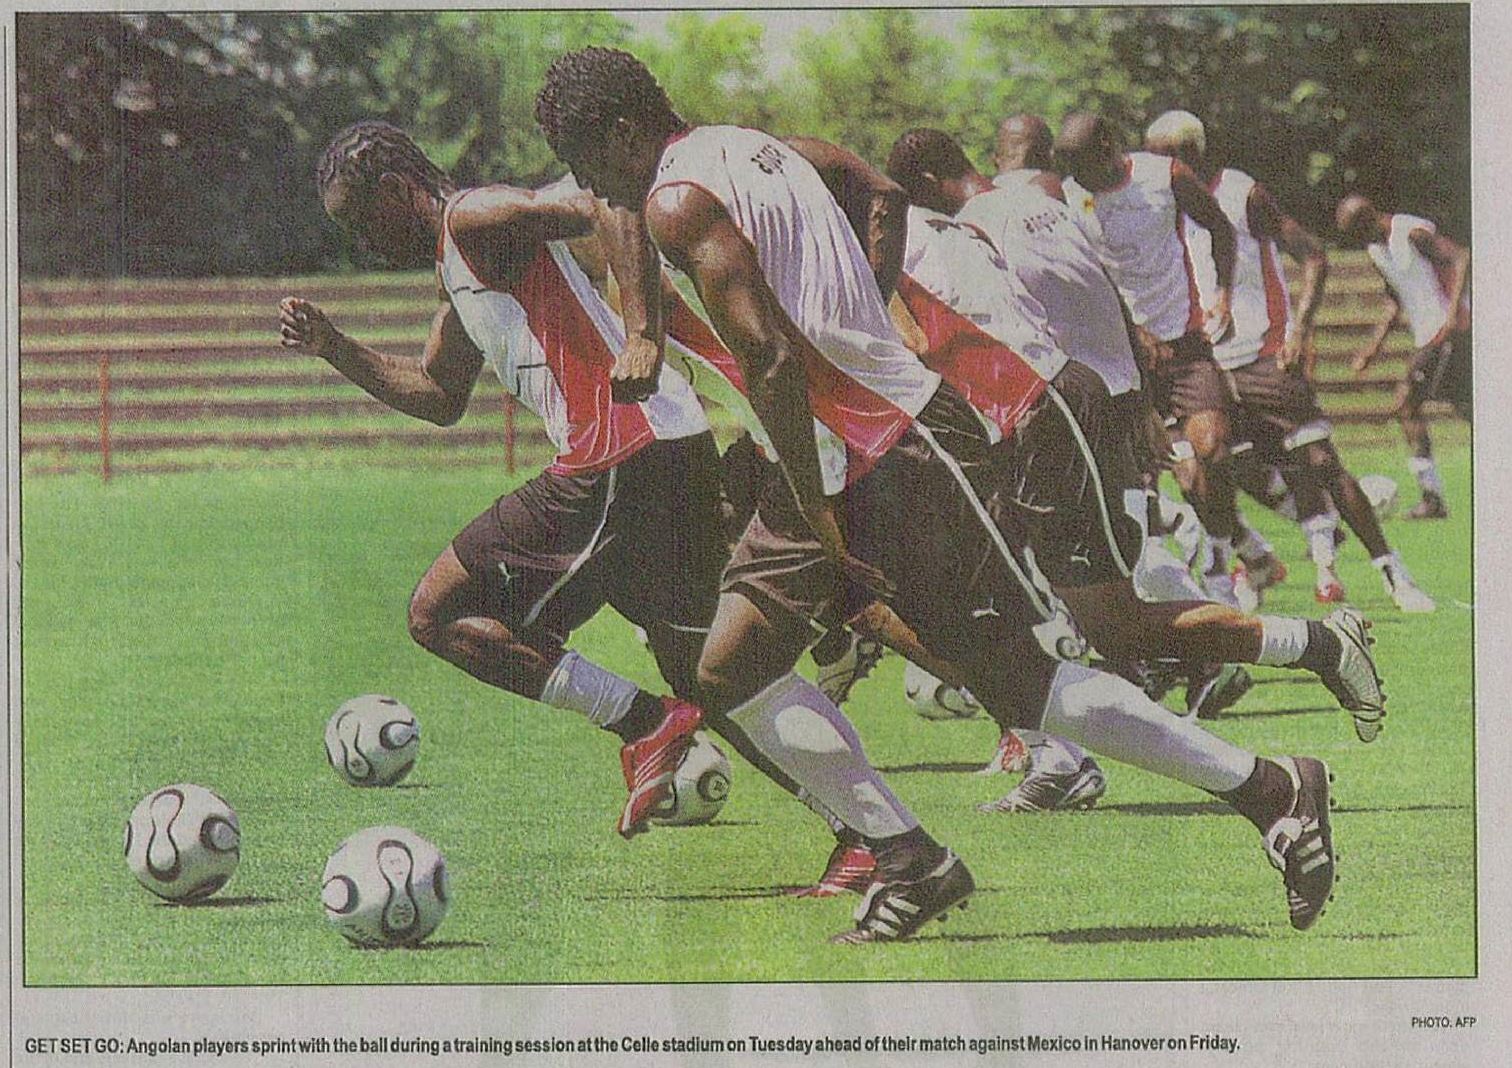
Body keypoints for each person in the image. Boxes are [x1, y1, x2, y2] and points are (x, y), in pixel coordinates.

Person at [537, 47, 1357, 936]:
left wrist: (816, 500)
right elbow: (881, 193)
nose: (590, 184)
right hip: (838, 452)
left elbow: (768, 357)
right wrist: (855, 310)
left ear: (624, 133)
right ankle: (910, 859)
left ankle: (1270, 788)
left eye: (586, 160)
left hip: (895, 449)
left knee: (1020, 681)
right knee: (728, 665)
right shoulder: (763, 147)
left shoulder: (677, 200)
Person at [278, 122, 925, 861]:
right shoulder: (458, 266)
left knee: (438, 612)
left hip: (619, 453)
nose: (363, 241)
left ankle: (643, 721)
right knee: (720, 676)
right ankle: (876, 839)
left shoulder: (474, 217)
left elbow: (608, 202)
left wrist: (643, 333)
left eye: (361, 220)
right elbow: (438, 393)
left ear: (396, 190)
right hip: (662, 449)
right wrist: (334, 348)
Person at [883, 126, 1381, 742]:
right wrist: (1138, 399)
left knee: (1070, 594)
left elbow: (995, 333)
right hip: (1096, 402)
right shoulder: (1038, 205)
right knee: (1108, 594)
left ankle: (1058, 742)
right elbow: (1107, 296)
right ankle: (1269, 647)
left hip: (1060, 417)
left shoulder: (979, 228)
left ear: (927, 184)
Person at [1145, 111, 1434, 612]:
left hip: (1261, 351)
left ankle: (1394, 574)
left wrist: (1299, 330)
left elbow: (1313, 255)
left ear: (1190, 153)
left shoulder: (1242, 194)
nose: (1159, 170)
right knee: (1198, 471)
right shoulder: (1155, 208)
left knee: (1320, 462)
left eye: (1165, 158)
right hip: (1204, 359)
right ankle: (1252, 561)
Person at [1056, 113, 1282, 605]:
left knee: (1212, 448)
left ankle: (1219, 568)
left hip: (1183, 344)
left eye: (1084, 165)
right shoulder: (1070, 198)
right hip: (1122, 355)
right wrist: (1131, 331)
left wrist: (1222, 293)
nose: (1080, 178)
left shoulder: (1166, 176)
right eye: (1071, 169)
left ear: (1109, 146)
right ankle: (1232, 559)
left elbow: (1219, 228)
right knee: (1162, 477)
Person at [1337, 193, 1471, 519]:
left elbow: (1460, 257)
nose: (1358, 239)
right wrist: (1372, 349)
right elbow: (1393, 303)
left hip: (1449, 331)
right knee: (1465, 406)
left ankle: (1432, 498)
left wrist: (1453, 314)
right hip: (1429, 335)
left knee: (1407, 404)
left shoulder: (1410, 232)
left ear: (1370, 217)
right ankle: (1434, 496)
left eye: (1358, 230)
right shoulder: (1376, 250)